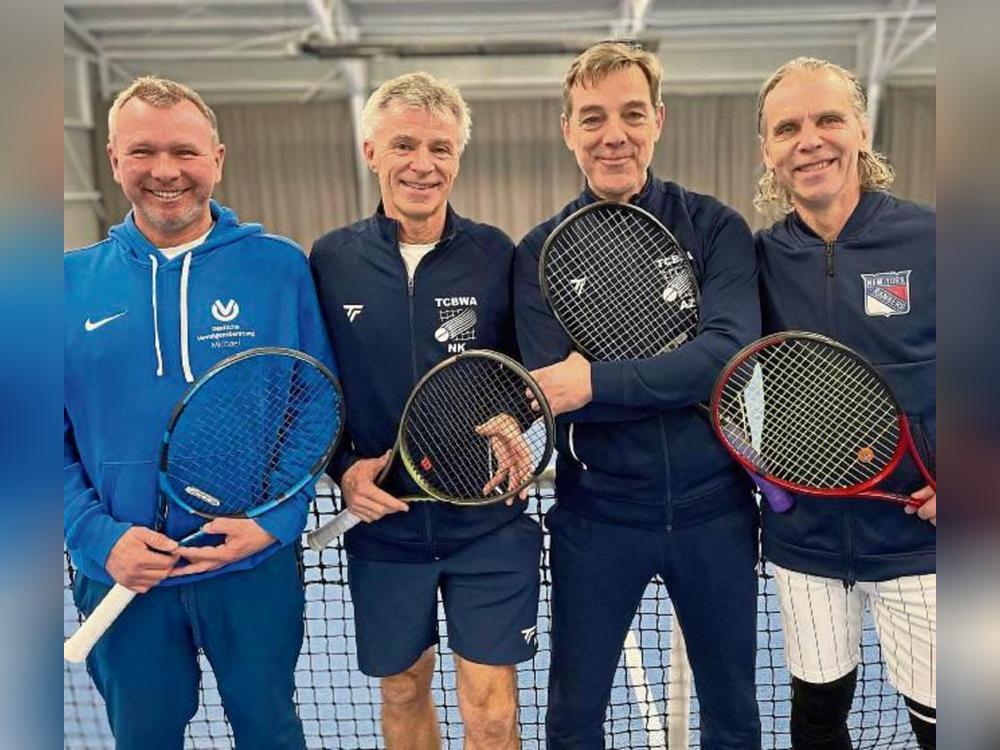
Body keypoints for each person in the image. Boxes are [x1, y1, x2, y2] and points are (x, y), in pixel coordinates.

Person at [64, 76, 336, 750]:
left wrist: (273, 523)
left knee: (270, 731)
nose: (165, 172)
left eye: (184, 152)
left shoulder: (280, 268)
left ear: (216, 157)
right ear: (113, 158)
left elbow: (315, 404)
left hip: (251, 570)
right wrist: (101, 541)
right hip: (123, 573)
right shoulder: (62, 284)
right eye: (143, 152)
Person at [513, 42, 762, 749]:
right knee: (572, 718)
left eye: (630, 114)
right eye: (592, 118)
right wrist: (674, 377)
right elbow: (551, 389)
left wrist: (593, 377)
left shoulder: (715, 228)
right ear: (568, 129)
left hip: (716, 514)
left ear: (658, 120)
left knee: (736, 715)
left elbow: (724, 358)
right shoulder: (537, 254)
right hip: (596, 522)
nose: (612, 134)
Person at [310, 72, 541, 750]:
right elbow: (316, 390)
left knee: (493, 711)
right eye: (405, 144)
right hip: (386, 529)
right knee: (404, 688)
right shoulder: (330, 260)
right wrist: (344, 470)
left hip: (486, 523)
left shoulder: (497, 254)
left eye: (441, 148)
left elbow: (526, 372)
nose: (423, 164)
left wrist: (512, 418)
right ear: (371, 150)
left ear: (458, 157)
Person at [753, 57, 936, 749]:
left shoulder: (936, 238)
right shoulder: (758, 259)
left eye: (828, 119)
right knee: (817, 716)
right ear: (768, 152)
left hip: (923, 539)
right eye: (788, 127)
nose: (810, 140)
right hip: (808, 542)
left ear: (860, 129)